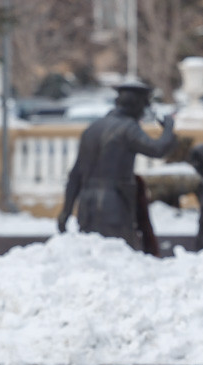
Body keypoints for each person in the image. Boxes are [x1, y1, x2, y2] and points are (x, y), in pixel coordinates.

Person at [57, 78, 176, 250]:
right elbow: (157, 149)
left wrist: (66, 211)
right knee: (118, 256)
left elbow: (75, 175)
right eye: (144, 106)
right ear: (136, 105)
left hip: (87, 206)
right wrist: (169, 128)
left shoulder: (92, 129)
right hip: (114, 205)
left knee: (92, 258)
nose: (144, 112)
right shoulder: (128, 128)